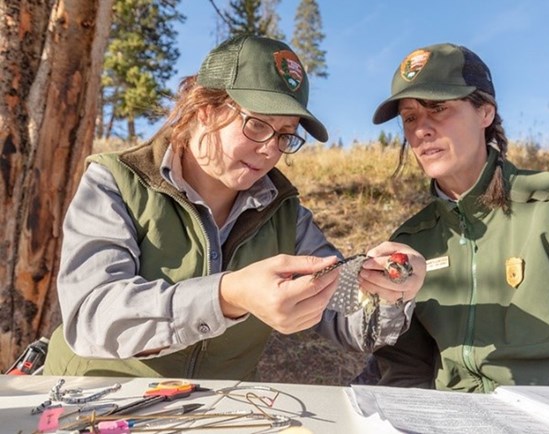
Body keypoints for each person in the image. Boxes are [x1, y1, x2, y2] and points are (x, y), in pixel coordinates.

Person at [43, 34, 425, 380]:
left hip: (220, 412)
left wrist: (392, 291)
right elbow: (91, 316)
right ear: (203, 109)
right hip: (93, 400)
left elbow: (350, 320)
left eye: (285, 136)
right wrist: (226, 296)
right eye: (257, 125)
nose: (269, 149)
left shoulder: (285, 215)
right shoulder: (118, 182)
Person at [365, 42, 549, 391]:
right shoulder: (411, 243)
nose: (421, 129)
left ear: (485, 113)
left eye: (438, 108)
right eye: (409, 117)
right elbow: (405, 369)